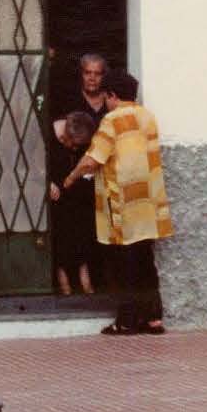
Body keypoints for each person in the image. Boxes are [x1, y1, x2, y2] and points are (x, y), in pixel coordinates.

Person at [63, 69, 171, 334]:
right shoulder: (147, 117)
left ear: (112, 95)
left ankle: (126, 320)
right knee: (144, 259)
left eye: (106, 97)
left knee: (123, 263)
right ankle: (153, 318)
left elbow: (92, 160)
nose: (106, 102)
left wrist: (71, 177)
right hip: (147, 202)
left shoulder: (111, 121)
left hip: (121, 203)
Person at [45, 110, 100, 296]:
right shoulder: (46, 132)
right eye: (74, 145)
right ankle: (62, 278)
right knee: (58, 230)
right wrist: (47, 182)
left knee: (81, 226)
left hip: (76, 192)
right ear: (65, 136)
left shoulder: (80, 131)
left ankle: (84, 274)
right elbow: (31, 162)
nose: (75, 149)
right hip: (54, 196)